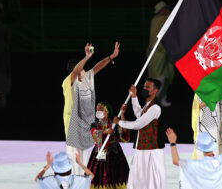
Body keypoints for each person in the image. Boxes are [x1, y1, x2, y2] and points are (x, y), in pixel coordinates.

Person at [62, 42, 120, 175]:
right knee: (74, 154)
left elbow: (97, 67)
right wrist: (86, 57)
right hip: (73, 122)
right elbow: (77, 71)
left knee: (84, 154)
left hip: (85, 122)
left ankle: (82, 180)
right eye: (82, 68)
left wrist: (112, 56)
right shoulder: (69, 81)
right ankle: (73, 182)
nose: (85, 70)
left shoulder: (86, 77)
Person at [113, 78, 165, 189]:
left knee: (150, 179)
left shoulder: (155, 108)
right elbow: (139, 115)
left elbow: (137, 124)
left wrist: (119, 122)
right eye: (144, 87)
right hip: (142, 148)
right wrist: (134, 97)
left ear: (155, 90)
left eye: (148, 87)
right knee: (138, 177)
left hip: (151, 150)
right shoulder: (148, 105)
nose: (145, 89)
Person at [165, 119, 222, 189]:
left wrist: (172, 142)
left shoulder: (196, 165)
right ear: (212, 144)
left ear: (200, 148)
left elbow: (176, 161)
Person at [87, 102, 130, 189]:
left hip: (115, 153)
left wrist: (122, 115)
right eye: (97, 109)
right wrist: (105, 131)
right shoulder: (95, 124)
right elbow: (95, 137)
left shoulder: (114, 123)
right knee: (101, 175)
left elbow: (124, 136)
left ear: (107, 111)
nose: (98, 111)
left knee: (117, 176)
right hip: (101, 152)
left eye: (101, 109)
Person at [147, 1, 175, 107]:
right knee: (158, 77)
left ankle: (162, 99)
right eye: (165, 9)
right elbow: (155, 38)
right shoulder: (157, 20)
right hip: (157, 52)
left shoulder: (164, 19)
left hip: (166, 51)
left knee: (166, 76)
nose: (168, 11)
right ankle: (154, 100)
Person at [191, 93, 222, 159]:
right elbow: (196, 106)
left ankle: (215, 165)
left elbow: (219, 104)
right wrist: (209, 101)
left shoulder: (217, 89)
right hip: (203, 124)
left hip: (214, 125)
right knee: (203, 147)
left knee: (215, 147)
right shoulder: (200, 90)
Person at [0, 4, 11, 109]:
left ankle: (2, 102)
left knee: (2, 80)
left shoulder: (4, 27)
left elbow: (8, 41)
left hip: (1, 56)